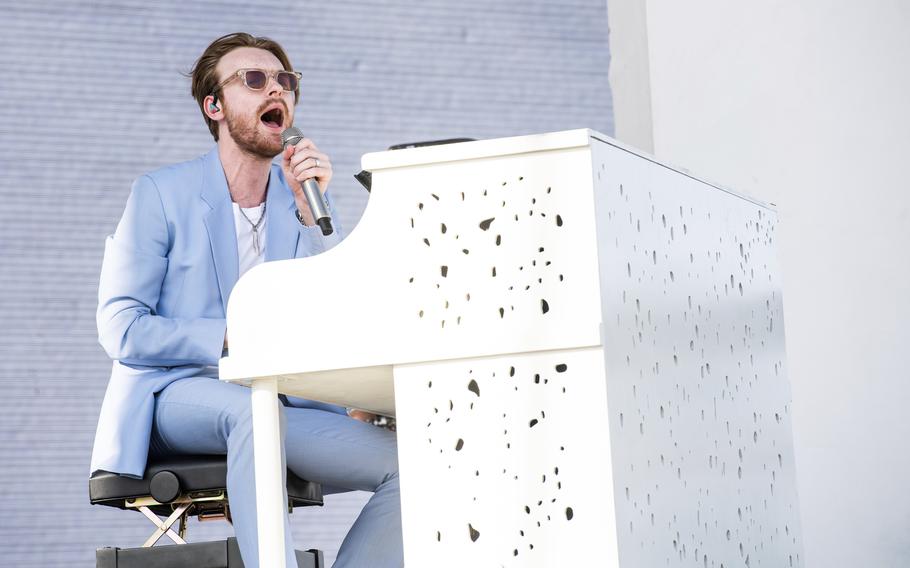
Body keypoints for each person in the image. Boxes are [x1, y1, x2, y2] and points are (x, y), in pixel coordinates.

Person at [89, 32, 403, 568]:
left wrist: (309, 218)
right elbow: (121, 327)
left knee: (415, 464)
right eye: (253, 80)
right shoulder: (161, 194)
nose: (274, 88)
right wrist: (230, 337)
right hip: (176, 393)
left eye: (285, 80)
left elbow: (326, 313)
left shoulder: (303, 204)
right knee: (249, 414)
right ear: (215, 106)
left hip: (276, 402)